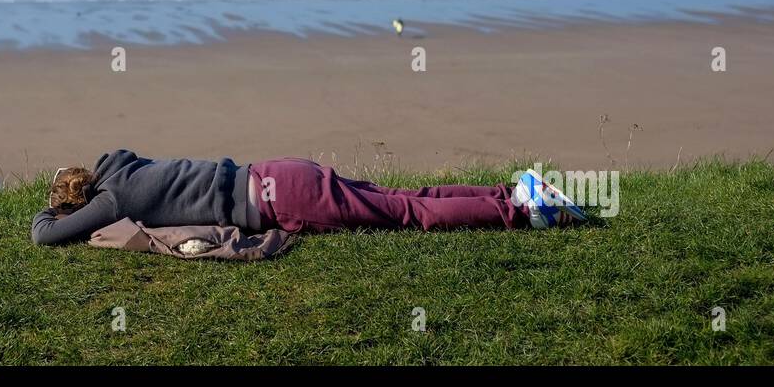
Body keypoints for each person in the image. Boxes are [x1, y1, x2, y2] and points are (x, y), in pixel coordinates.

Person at [31, 149, 585, 247]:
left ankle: (526, 211)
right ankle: (511, 190)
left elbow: (44, 235)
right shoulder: (127, 164)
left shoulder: (112, 201)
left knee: (408, 213)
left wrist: (52, 213)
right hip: (276, 169)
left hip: (276, 202)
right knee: (405, 195)